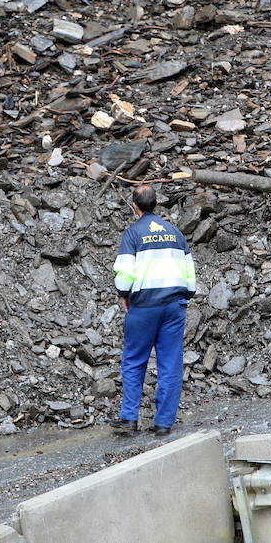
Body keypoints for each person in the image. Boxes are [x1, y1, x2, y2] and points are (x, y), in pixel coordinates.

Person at [110, 184, 197, 437]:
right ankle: (163, 423)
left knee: (135, 360)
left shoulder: (133, 234)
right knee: (170, 362)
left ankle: (129, 418)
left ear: (134, 205)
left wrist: (123, 295)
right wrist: (183, 297)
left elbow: (124, 276)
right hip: (174, 306)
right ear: (156, 204)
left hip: (144, 307)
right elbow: (190, 276)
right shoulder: (175, 233)